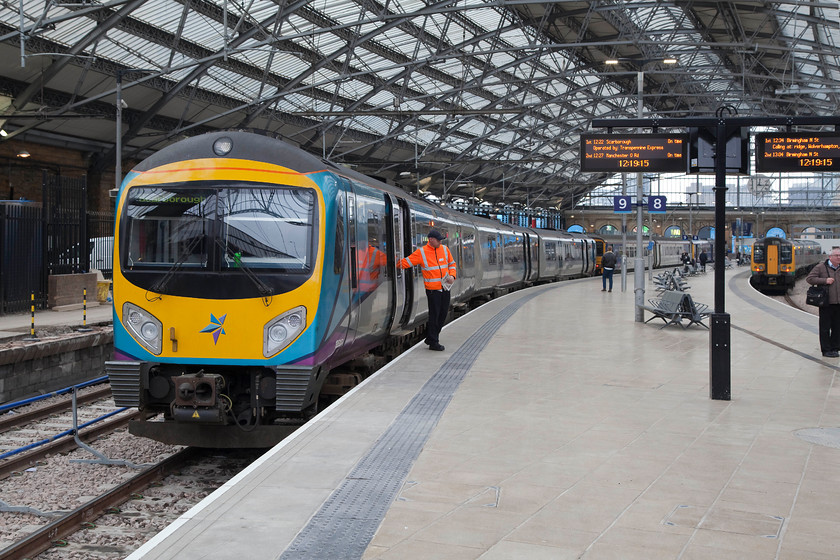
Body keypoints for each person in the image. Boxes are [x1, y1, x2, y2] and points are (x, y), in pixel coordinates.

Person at [398, 229, 457, 351]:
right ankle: (433, 342)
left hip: (445, 288)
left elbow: (452, 264)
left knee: (443, 314)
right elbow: (404, 263)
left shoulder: (445, 250)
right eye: (438, 239)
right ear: (431, 240)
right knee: (434, 316)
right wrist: (389, 261)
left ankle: (431, 338)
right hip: (433, 291)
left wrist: (452, 275)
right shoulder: (421, 252)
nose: (440, 241)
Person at [806, 248, 840, 358]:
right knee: (825, 328)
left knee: (837, 327)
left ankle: (835, 348)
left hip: (838, 303)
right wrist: (825, 281)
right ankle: (826, 350)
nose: (839, 257)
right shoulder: (821, 267)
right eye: (837, 255)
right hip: (826, 303)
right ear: (830, 257)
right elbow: (810, 279)